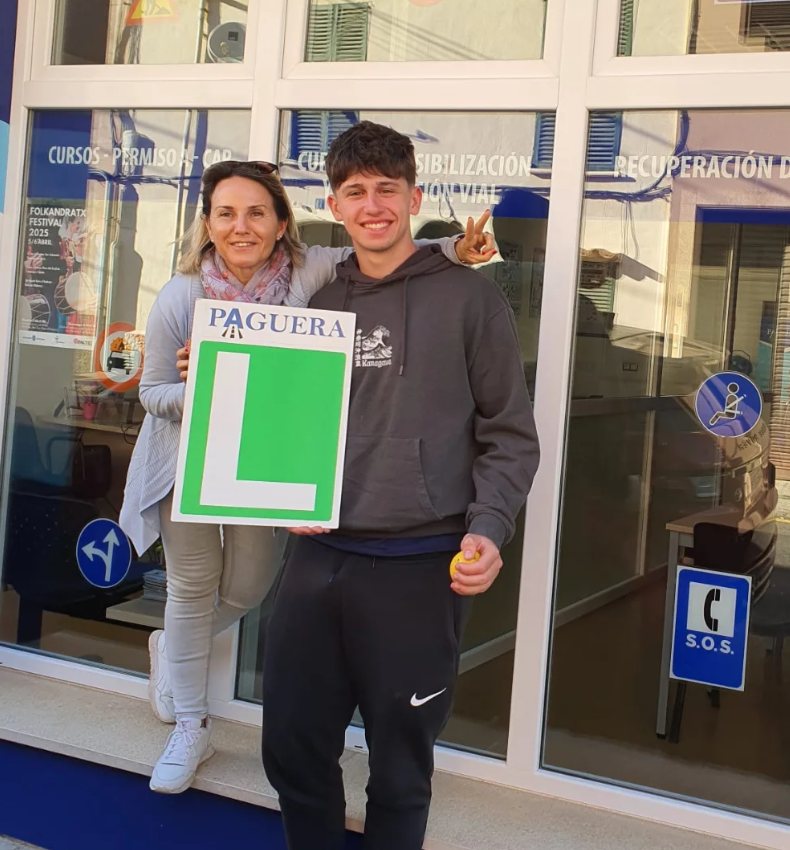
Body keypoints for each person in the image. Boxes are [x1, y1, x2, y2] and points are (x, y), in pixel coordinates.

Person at [119, 158, 495, 796]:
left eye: (257, 212)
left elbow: (381, 244)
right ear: (207, 224)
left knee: (246, 588)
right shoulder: (182, 295)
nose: (242, 226)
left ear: (280, 221)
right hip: (186, 466)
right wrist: (207, 388)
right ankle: (191, 720)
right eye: (226, 213)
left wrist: (454, 247)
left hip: (267, 465)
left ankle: (172, 652)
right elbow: (151, 392)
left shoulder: (310, 270)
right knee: (190, 588)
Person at [261, 123, 540, 850]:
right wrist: (273, 486)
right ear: (334, 203)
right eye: (356, 192)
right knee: (292, 748)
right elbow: (274, 420)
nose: (373, 205)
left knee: (400, 768)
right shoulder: (312, 302)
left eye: (388, 189)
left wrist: (487, 528)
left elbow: (509, 435)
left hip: (421, 566)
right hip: (316, 556)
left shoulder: (470, 302)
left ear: (414, 196)